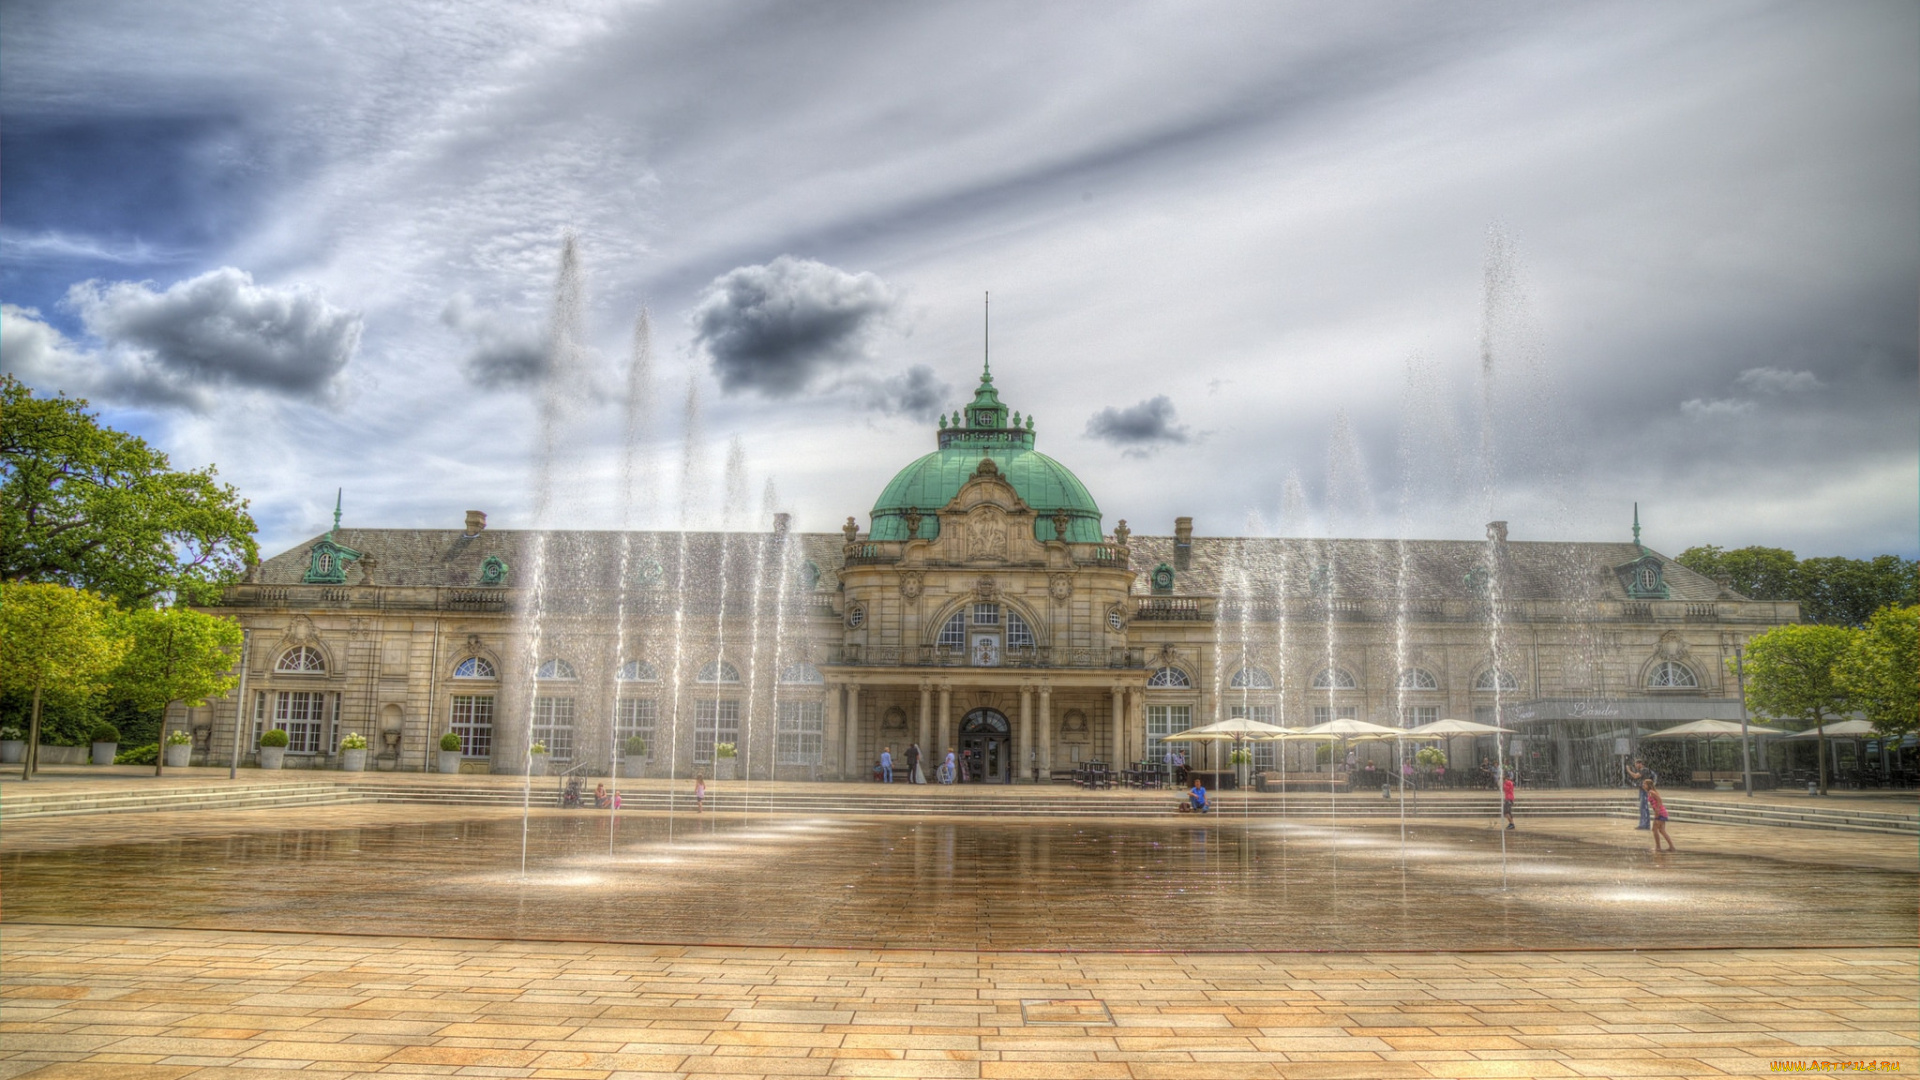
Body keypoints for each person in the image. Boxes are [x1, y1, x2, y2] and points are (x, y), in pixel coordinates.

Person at [1644, 778, 1674, 852]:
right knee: (1662, 830)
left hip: (1660, 813)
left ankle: (1658, 847)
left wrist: (1657, 810)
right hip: (1662, 812)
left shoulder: (1651, 792)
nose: (1643, 785)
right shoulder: (1651, 792)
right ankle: (1671, 847)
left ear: (1648, 785)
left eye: (1644, 784)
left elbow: (1659, 800)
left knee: (1654, 829)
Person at [1626, 758, 1654, 830]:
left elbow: (1635, 776)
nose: (1635, 766)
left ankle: (1645, 825)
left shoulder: (1644, 770)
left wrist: (1628, 770)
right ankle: (1644, 824)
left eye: (1636, 764)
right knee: (1643, 807)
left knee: (1643, 807)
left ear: (1640, 764)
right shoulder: (1644, 770)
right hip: (1643, 790)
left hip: (1644, 791)